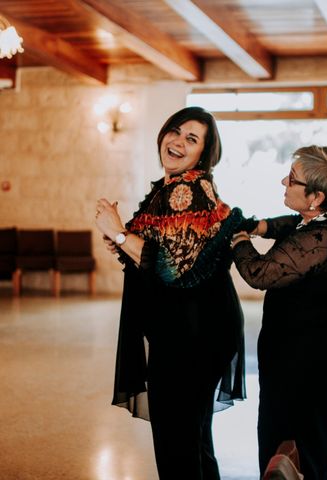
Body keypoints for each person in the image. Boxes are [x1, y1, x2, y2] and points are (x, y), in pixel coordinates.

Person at [94, 106, 246, 479]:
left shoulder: (186, 190)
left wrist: (117, 233)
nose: (177, 142)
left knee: (177, 440)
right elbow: (163, 251)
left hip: (192, 333)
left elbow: (171, 269)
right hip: (196, 326)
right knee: (192, 436)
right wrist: (124, 243)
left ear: (202, 155)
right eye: (175, 132)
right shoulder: (171, 187)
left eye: (191, 139)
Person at [230, 145, 327, 480]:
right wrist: (260, 226)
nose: (283, 182)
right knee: (297, 459)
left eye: (291, 180)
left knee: (296, 459)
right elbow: (290, 224)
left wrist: (238, 238)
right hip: (304, 358)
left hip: (305, 369)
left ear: (316, 196)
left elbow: (259, 273)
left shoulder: (321, 237)